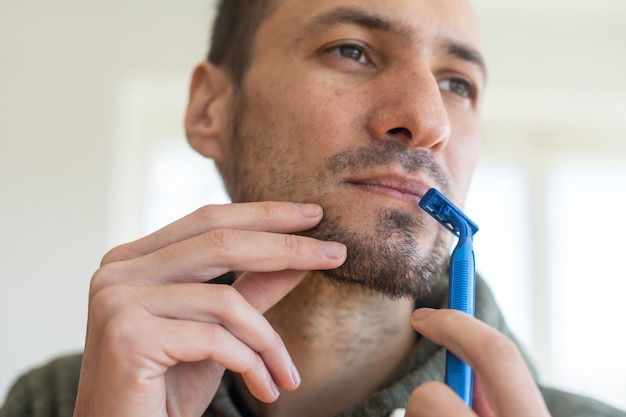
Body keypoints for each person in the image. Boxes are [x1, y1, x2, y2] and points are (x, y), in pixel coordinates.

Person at [1, 0, 625, 416]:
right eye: (351, 50)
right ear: (209, 109)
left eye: (457, 84)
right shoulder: (54, 402)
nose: (429, 120)